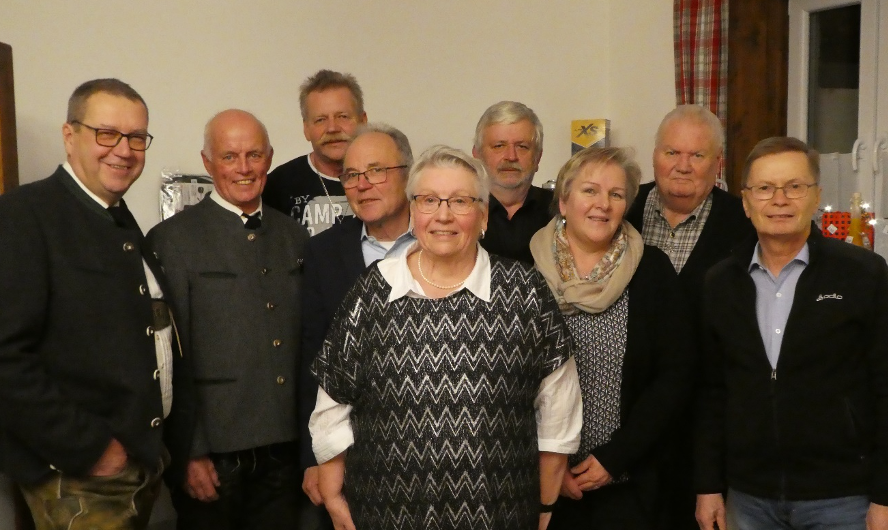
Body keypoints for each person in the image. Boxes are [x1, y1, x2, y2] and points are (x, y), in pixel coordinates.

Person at [309, 145, 582, 529]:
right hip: (384, 514)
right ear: (413, 211)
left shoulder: (524, 291)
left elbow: (558, 413)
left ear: (483, 215)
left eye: (460, 201)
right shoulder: (373, 290)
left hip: (500, 515)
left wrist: (546, 508)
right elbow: (333, 402)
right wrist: (335, 498)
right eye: (429, 200)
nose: (443, 215)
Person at [0, 78, 185, 529]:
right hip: (80, 477)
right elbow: (5, 357)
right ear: (70, 136)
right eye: (107, 134)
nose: (124, 150)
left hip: (134, 466)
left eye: (136, 137)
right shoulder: (23, 216)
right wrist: (92, 449)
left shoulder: (117, 217)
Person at [695, 137, 888, 531]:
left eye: (794, 186)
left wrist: (885, 496)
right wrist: (708, 486)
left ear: (816, 196)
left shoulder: (863, 274)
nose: (779, 200)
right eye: (765, 188)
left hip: (843, 499)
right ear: (746, 202)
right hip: (748, 498)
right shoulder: (720, 283)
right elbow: (710, 392)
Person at [146, 109, 310, 529]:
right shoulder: (172, 239)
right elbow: (168, 357)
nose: (243, 168)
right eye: (229, 156)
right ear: (207, 161)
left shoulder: (293, 236)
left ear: (269, 158)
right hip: (213, 456)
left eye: (254, 155)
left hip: (286, 451)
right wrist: (189, 450)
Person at [530, 146, 694, 529]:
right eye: (590, 190)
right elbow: (508, 383)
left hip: (630, 486)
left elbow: (677, 375)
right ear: (564, 201)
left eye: (616, 194)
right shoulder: (524, 272)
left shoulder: (652, 270)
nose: (602, 204)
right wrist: (551, 465)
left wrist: (615, 457)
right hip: (541, 484)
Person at [625, 104, 753, 528]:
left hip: (709, 429)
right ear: (654, 155)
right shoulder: (619, 210)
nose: (682, 166)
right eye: (671, 152)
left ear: (717, 163)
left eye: (696, 155)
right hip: (629, 427)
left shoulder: (745, 224)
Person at [298, 123, 415, 510]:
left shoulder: (443, 239)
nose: (362, 185)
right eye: (351, 175)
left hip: (438, 445)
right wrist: (312, 456)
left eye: (376, 171)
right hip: (351, 453)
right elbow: (311, 359)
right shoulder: (322, 253)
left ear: (408, 173)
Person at [263, 69, 366, 235]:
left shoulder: (388, 178)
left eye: (342, 116)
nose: (332, 128)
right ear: (306, 129)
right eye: (320, 120)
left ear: (363, 121)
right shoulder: (277, 186)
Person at [473, 100, 553, 264]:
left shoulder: (561, 210)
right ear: (477, 155)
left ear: (538, 158)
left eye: (522, 146)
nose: (511, 156)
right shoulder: (460, 211)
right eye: (499, 146)